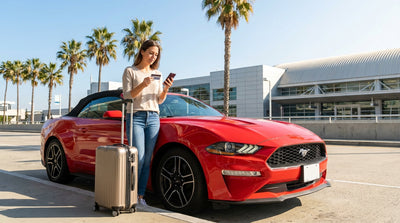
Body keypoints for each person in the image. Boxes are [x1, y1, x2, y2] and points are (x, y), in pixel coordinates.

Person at [122, 39, 173, 206]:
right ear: (142, 52)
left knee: (147, 160)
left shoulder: (157, 73)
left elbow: (159, 100)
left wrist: (165, 89)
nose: (153, 56)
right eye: (151, 52)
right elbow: (128, 96)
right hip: (135, 116)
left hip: (153, 118)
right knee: (139, 158)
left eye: (156, 54)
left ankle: (141, 197)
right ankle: (130, 194)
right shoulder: (130, 71)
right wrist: (143, 84)